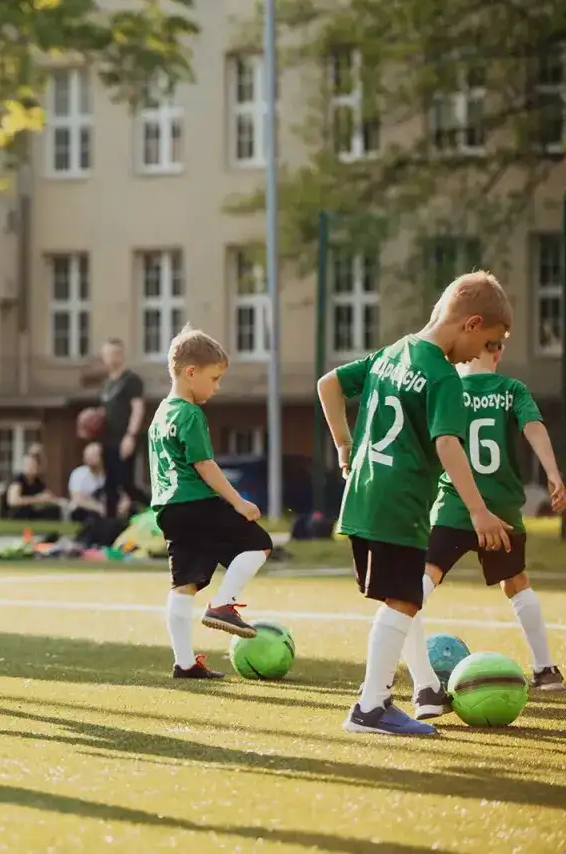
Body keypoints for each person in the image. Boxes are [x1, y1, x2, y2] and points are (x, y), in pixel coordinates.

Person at [318, 271, 513, 736]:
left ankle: (388, 698)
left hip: (363, 496)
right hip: (400, 503)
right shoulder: (443, 374)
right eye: (490, 341)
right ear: (471, 323)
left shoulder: (392, 353)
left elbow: (328, 384)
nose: (483, 353)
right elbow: (449, 444)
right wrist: (478, 510)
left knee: (399, 597)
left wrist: (343, 446)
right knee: (404, 600)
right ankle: (370, 708)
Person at [397, 337, 566, 713]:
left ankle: (407, 671)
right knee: (517, 582)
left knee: (420, 582)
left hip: (456, 505)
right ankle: (546, 670)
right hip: (502, 506)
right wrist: (553, 472)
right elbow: (534, 427)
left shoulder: (446, 388)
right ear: (500, 351)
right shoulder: (512, 390)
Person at [147, 325, 274, 680]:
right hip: (197, 503)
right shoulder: (190, 415)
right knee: (259, 544)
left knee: (183, 584)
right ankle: (223, 605)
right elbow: (205, 465)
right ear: (191, 373)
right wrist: (238, 502)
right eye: (214, 378)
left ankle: (185, 663)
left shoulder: (160, 415)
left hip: (168, 509)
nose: (216, 388)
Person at [98, 338, 147, 517]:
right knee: (110, 485)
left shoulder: (131, 380)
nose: (111, 358)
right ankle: (110, 527)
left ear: (121, 355)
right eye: (108, 354)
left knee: (127, 484)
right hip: (107, 439)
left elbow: (138, 408)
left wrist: (131, 435)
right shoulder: (106, 384)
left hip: (124, 439)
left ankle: (157, 509)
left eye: (115, 353)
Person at [0, 450, 66, 521]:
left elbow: (48, 496)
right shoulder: (18, 480)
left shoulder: (37, 481)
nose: (31, 467)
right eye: (28, 464)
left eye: (33, 464)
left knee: (54, 511)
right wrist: (37, 499)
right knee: (23, 511)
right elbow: (13, 501)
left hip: (31, 510)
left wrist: (61, 502)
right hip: (13, 513)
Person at [67, 441, 108, 522]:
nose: (88, 458)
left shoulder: (110, 474)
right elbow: (77, 499)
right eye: (86, 455)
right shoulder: (78, 473)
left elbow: (121, 494)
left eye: (93, 455)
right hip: (83, 512)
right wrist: (100, 508)